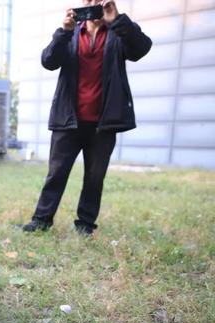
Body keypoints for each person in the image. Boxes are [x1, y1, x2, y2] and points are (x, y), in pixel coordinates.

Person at [21, 0, 151, 235]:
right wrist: (63, 32)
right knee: (56, 173)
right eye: (90, 0)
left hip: (103, 121)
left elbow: (141, 49)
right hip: (68, 119)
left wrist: (118, 20)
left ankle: (85, 224)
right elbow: (48, 61)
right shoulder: (70, 33)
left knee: (95, 176)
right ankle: (41, 220)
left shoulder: (118, 31)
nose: (94, 3)